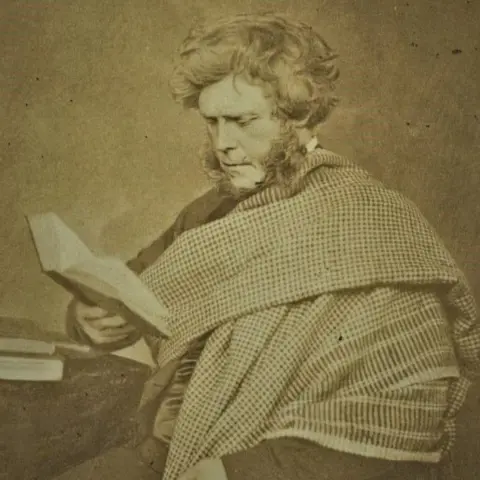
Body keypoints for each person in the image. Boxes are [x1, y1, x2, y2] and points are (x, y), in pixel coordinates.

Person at [65, 12, 479, 480]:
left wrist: (242, 471)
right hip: (165, 450)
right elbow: (130, 289)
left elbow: (405, 405)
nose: (223, 143)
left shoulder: (376, 222)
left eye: (242, 121)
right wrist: (89, 319)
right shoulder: (209, 213)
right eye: (212, 123)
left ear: (298, 114)